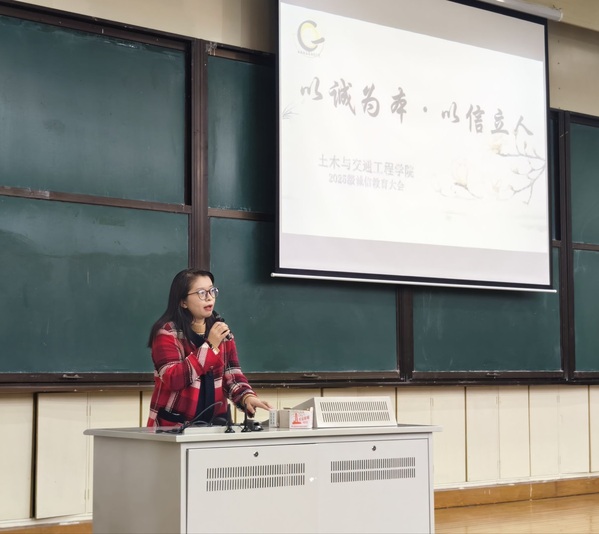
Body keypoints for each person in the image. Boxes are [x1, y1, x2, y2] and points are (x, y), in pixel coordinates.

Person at [146, 268, 272, 427]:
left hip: (216, 425)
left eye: (212, 291)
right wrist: (210, 346)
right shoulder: (167, 333)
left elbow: (232, 375)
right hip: (174, 426)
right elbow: (174, 379)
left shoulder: (220, 331)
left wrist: (247, 397)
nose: (209, 297)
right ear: (183, 301)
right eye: (201, 293)